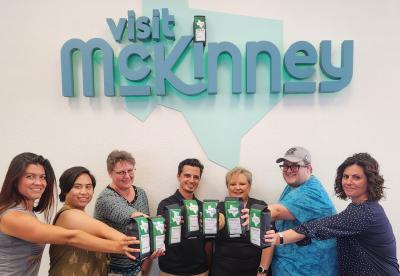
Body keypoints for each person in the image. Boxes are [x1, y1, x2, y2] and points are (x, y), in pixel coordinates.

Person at [0, 152, 137, 276]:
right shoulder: (12, 216)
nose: (39, 182)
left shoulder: (27, 213)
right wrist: (121, 246)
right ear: (15, 179)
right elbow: (71, 237)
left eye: (42, 177)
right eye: (30, 177)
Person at [265, 153, 400, 276]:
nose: (348, 182)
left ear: (369, 181)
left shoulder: (366, 212)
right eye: (345, 176)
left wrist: (278, 238)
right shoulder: (356, 207)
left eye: (356, 177)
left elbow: (319, 227)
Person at [49, 166, 140, 275]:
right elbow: (106, 231)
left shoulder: (85, 217)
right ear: (65, 190)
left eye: (88, 187)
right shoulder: (68, 215)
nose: (84, 192)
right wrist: (137, 245)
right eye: (77, 187)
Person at [267, 147, 338, 275]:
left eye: (294, 166)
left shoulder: (311, 192)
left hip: (308, 269)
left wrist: (249, 214)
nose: (288, 170)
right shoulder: (293, 186)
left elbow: (276, 212)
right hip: (290, 265)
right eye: (285, 166)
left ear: (309, 168)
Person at [94, 150, 159, 276]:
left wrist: (145, 264)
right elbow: (132, 215)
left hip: (138, 268)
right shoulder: (105, 198)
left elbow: (144, 230)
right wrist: (159, 224)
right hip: (112, 270)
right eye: (121, 172)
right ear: (110, 173)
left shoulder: (140, 193)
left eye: (130, 170)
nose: (127, 176)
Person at [211, 167, 273, 276]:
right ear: (227, 187)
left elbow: (269, 241)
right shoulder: (219, 207)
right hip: (222, 270)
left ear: (249, 186)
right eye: (233, 184)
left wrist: (262, 271)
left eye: (242, 184)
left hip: (252, 269)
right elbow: (218, 222)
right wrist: (218, 221)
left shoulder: (259, 206)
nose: (237, 188)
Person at [156, 158, 209, 276]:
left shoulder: (203, 207)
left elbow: (208, 241)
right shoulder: (165, 204)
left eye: (196, 177)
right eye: (187, 175)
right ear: (178, 176)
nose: (192, 180)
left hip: (200, 271)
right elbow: (159, 237)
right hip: (171, 271)